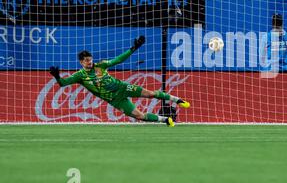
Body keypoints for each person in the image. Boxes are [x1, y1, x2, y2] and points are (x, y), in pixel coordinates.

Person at [48, 36, 190, 126]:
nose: (90, 62)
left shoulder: (100, 65)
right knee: (139, 115)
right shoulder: (79, 76)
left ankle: (177, 100)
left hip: (122, 87)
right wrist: (57, 77)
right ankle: (165, 120)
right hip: (115, 100)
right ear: (81, 62)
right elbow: (63, 84)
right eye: (86, 61)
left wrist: (133, 49)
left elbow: (118, 59)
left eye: (90, 59)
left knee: (151, 94)